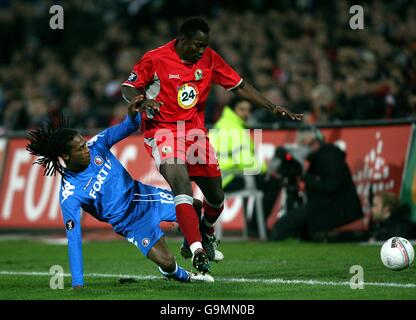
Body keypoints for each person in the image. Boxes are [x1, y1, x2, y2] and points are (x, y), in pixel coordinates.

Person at [121, 17, 303, 273]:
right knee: (181, 184)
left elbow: (239, 86)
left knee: (216, 197)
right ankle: (196, 250)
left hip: (194, 133)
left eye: (204, 46)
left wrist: (273, 106)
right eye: (197, 45)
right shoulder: (155, 58)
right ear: (182, 40)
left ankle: (205, 232)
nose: (201, 51)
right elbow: (128, 88)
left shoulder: (209, 59)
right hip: (163, 131)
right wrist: (141, 102)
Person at [25, 97, 214, 289]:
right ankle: (187, 276)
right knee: (167, 262)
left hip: (145, 197)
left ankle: (187, 244)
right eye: (80, 148)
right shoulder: (70, 194)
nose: (86, 149)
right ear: (66, 156)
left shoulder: (97, 145)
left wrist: (133, 115)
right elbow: (74, 239)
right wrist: (78, 284)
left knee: (194, 206)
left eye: (84, 143)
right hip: (129, 223)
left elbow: (128, 127)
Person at [269, 127, 363, 241]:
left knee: (282, 227)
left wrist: (306, 177)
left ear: (313, 141)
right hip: (326, 206)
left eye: (303, 142)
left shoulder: (330, 155)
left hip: (336, 208)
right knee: (287, 225)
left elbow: (332, 186)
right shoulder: (319, 157)